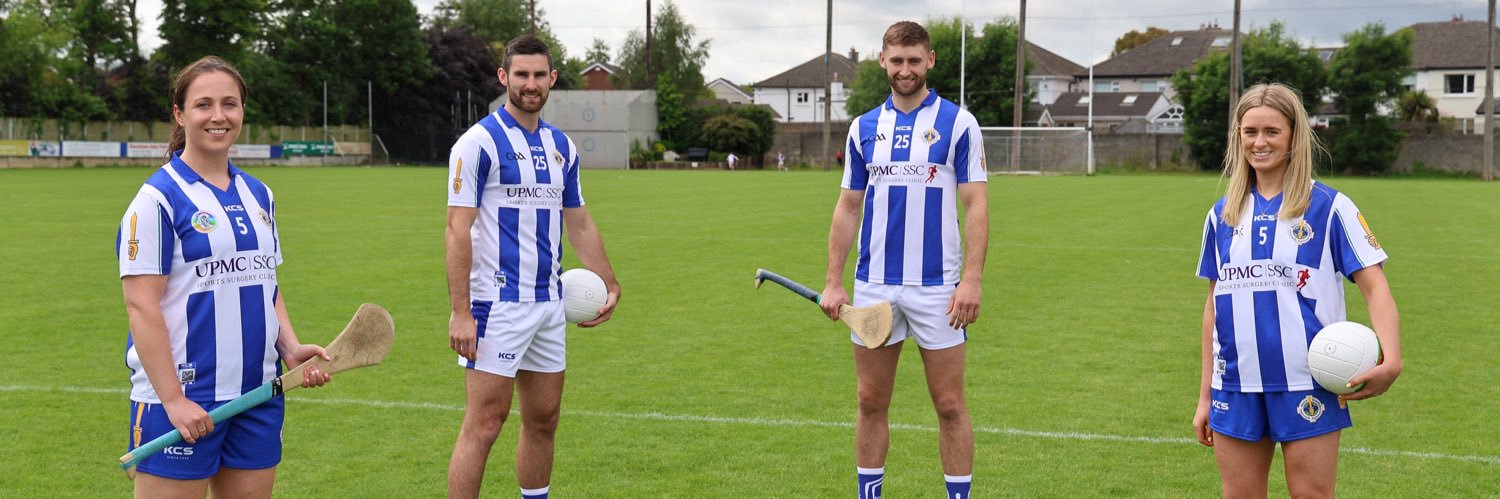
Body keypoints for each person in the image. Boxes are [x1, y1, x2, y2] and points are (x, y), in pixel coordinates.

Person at [117, 55, 331, 498]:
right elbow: (141, 305)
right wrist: (174, 400)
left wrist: (290, 347)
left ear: (242, 111)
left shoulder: (259, 194)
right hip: (182, 400)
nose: (219, 116)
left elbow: (264, 281)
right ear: (180, 114)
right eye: (204, 105)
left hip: (258, 393)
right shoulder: (157, 199)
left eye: (229, 104)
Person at [1193, 82, 1402, 498]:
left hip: (1309, 381)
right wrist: (1204, 396)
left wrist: (1391, 358)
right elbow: (1214, 310)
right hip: (1235, 383)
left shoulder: (1330, 207)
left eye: (1272, 131)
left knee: (1311, 495)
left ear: (1293, 136)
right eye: (1249, 131)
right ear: (1238, 137)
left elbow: (1376, 287)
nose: (1259, 142)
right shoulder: (1222, 216)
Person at [446, 34, 621, 499]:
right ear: (504, 78)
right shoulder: (477, 143)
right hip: (495, 305)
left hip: (550, 305)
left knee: (544, 420)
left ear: (552, 80)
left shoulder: (562, 146)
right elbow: (456, 230)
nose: (530, 83)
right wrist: (461, 311)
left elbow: (578, 222)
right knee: (484, 425)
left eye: (539, 75)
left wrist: (608, 280)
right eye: (520, 74)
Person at [821, 21, 988, 499]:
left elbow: (976, 205)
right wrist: (834, 281)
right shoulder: (863, 128)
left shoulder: (959, 123)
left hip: (939, 289)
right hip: (874, 285)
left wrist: (971, 280)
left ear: (930, 60)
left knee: (951, 404)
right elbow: (847, 207)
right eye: (897, 61)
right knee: (870, 400)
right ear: (882, 61)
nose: (906, 69)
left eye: (914, 60)